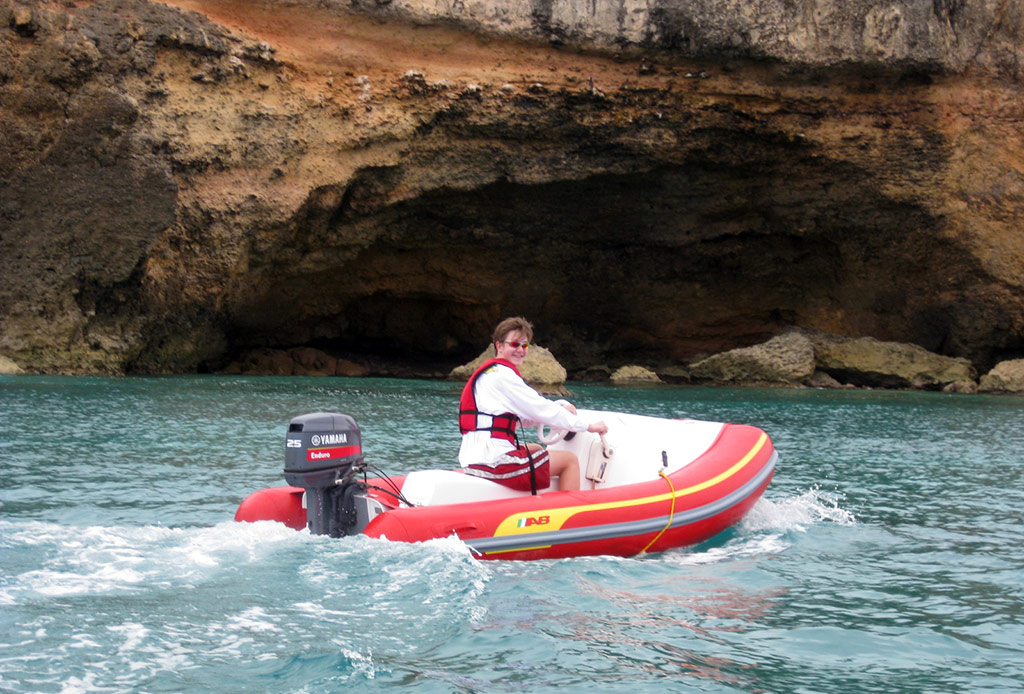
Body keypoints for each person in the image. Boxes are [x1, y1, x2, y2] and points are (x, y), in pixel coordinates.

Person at [458, 316, 608, 493]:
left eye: (525, 345)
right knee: (569, 461)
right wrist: (589, 426)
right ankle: (568, 516)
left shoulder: (490, 373)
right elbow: (542, 408)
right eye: (514, 344)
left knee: (536, 448)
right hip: (494, 461)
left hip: (475, 457)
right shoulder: (503, 376)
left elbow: (524, 418)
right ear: (499, 346)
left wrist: (556, 413)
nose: (520, 350)